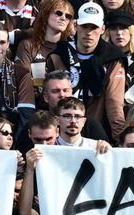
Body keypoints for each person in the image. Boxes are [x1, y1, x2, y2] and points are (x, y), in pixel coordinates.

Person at [49, 2, 127, 141]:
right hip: (60, 133)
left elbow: (114, 102)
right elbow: (49, 99)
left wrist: (120, 139)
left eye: (94, 27)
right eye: (85, 26)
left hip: (96, 131)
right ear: (75, 25)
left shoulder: (113, 58)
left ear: (103, 29)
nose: (89, 32)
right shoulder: (59, 54)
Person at [14, 0, 74, 105]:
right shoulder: (28, 45)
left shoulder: (71, 47)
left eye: (68, 16)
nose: (63, 18)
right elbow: (21, 79)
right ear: (45, 14)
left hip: (65, 106)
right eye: (58, 13)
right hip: (34, 104)